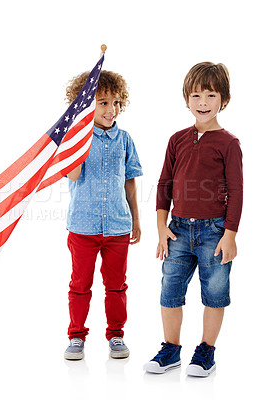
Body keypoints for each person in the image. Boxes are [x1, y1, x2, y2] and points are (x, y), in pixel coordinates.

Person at [143, 62, 243, 376]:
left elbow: (237, 192)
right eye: (196, 95)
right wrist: (161, 228)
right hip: (178, 230)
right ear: (187, 99)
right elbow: (164, 186)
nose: (203, 102)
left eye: (211, 95)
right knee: (169, 290)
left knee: (215, 291)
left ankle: (206, 352)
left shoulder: (228, 144)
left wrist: (229, 234)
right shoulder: (177, 140)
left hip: (214, 231)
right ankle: (171, 349)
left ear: (223, 100)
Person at [63, 70, 143, 361]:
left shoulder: (124, 139)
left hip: (118, 227)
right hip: (83, 227)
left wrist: (136, 219)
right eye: (102, 102)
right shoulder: (76, 138)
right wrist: (78, 139)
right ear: (87, 106)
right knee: (80, 285)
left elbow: (130, 180)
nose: (111, 109)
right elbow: (72, 174)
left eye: (116, 102)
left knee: (116, 284)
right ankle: (76, 336)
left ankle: (116, 334)